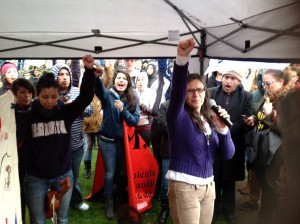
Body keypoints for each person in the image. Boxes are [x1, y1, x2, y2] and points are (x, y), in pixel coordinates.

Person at [15, 55, 98, 224]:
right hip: (35, 178)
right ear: (37, 95)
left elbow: (85, 98)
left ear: (58, 95)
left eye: (54, 96)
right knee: (38, 220)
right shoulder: (28, 116)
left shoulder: (65, 112)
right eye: (45, 97)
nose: (50, 101)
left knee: (62, 219)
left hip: (62, 176)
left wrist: (89, 72)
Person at [166, 38, 235, 224]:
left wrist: (223, 129)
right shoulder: (177, 116)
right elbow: (177, 91)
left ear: (206, 92)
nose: (196, 94)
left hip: (208, 187)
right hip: (185, 186)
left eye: (200, 90)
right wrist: (181, 60)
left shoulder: (210, 119)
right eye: (190, 91)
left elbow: (228, 154)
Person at [242, 68, 292, 223]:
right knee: (265, 188)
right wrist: (254, 119)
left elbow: (288, 130)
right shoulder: (268, 96)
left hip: (276, 154)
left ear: (281, 82)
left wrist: (270, 115)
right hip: (262, 150)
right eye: (263, 83)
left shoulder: (289, 100)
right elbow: (261, 116)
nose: (264, 87)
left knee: (272, 190)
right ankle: (265, 216)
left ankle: (268, 218)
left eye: (268, 83)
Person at [209, 69, 253, 224]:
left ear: (239, 81)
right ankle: (212, 210)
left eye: (232, 78)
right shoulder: (211, 93)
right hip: (212, 142)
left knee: (229, 179)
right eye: (226, 77)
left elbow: (245, 120)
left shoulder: (247, 96)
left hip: (234, 143)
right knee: (213, 178)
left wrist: (226, 130)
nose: (228, 81)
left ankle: (229, 211)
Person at [94, 69, 140, 220]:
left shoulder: (133, 97)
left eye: (124, 79)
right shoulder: (107, 95)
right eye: (118, 78)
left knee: (122, 172)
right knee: (109, 173)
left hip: (124, 143)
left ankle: (121, 199)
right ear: (114, 81)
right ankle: (109, 201)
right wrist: (96, 77)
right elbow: (99, 89)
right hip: (107, 142)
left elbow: (134, 120)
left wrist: (123, 110)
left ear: (128, 82)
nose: (121, 81)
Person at [51, 62, 93, 211]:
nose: (64, 77)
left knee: (74, 175)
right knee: (56, 176)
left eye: (67, 74)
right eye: (61, 74)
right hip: (57, 145)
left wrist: (74, 106)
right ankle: (57, 203)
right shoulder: (51, 94)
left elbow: (90, 110)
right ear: (55, 76)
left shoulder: (77, 92)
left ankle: (76, 201)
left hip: (76, 143)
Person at [11, 78, 35, 224]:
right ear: (15, 94)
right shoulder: (10, 112)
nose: (26, 95)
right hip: (17, 161)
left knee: (34, 200)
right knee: (19, 195)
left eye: (29, 92)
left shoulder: (36, 110)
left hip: (34, 161)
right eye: (22, 92)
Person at [156, 99, 170, 224]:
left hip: (186, 152)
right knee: (166, 183)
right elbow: (162, 125)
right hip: (169, 151)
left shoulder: (190, 105)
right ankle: (165, 209)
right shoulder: (165, 105)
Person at [135, 72, 156, 146]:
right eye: (138, 80)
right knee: (134, 152)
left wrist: (141, 105)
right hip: (133, 126)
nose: (140, 82)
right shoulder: (132, 92)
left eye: (142, 79)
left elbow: (153, 111)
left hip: (146, 126)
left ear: (146, 81)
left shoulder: (151, 93)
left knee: (144, 150)